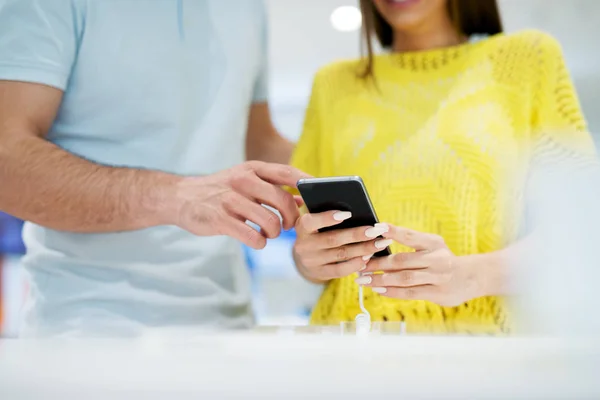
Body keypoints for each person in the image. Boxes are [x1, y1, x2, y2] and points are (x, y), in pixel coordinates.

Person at [0, 0, 309, 337]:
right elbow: (6, 161)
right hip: (87, 329)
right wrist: (176, 198)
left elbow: (259, 142)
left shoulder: (247, 7)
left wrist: (361, 176)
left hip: (228, 323)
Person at [290, 0, 598, 334]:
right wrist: (309, 261)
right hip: (345, 346)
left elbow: (581, 226)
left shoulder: (526, 59)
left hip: (478, 350)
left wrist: (469, 275)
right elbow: (308, 248)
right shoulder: (331, 85)